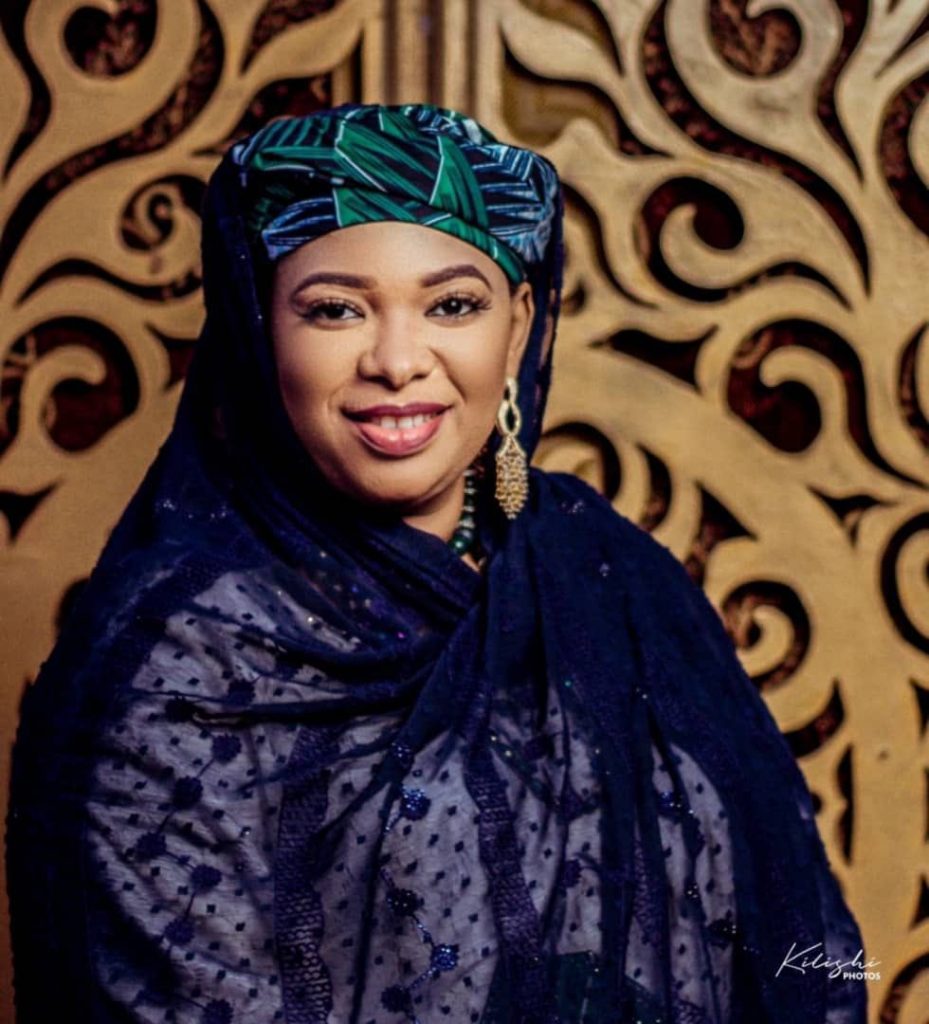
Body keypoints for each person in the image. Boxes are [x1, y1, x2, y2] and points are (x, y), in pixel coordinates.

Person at [5, 103, 867, 1024]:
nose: (397, 361)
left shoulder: (607, 572)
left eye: (452, 304)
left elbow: (799, 943)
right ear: (258, 332)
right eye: (335, 309)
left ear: (517, 325)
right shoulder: (170, 661)